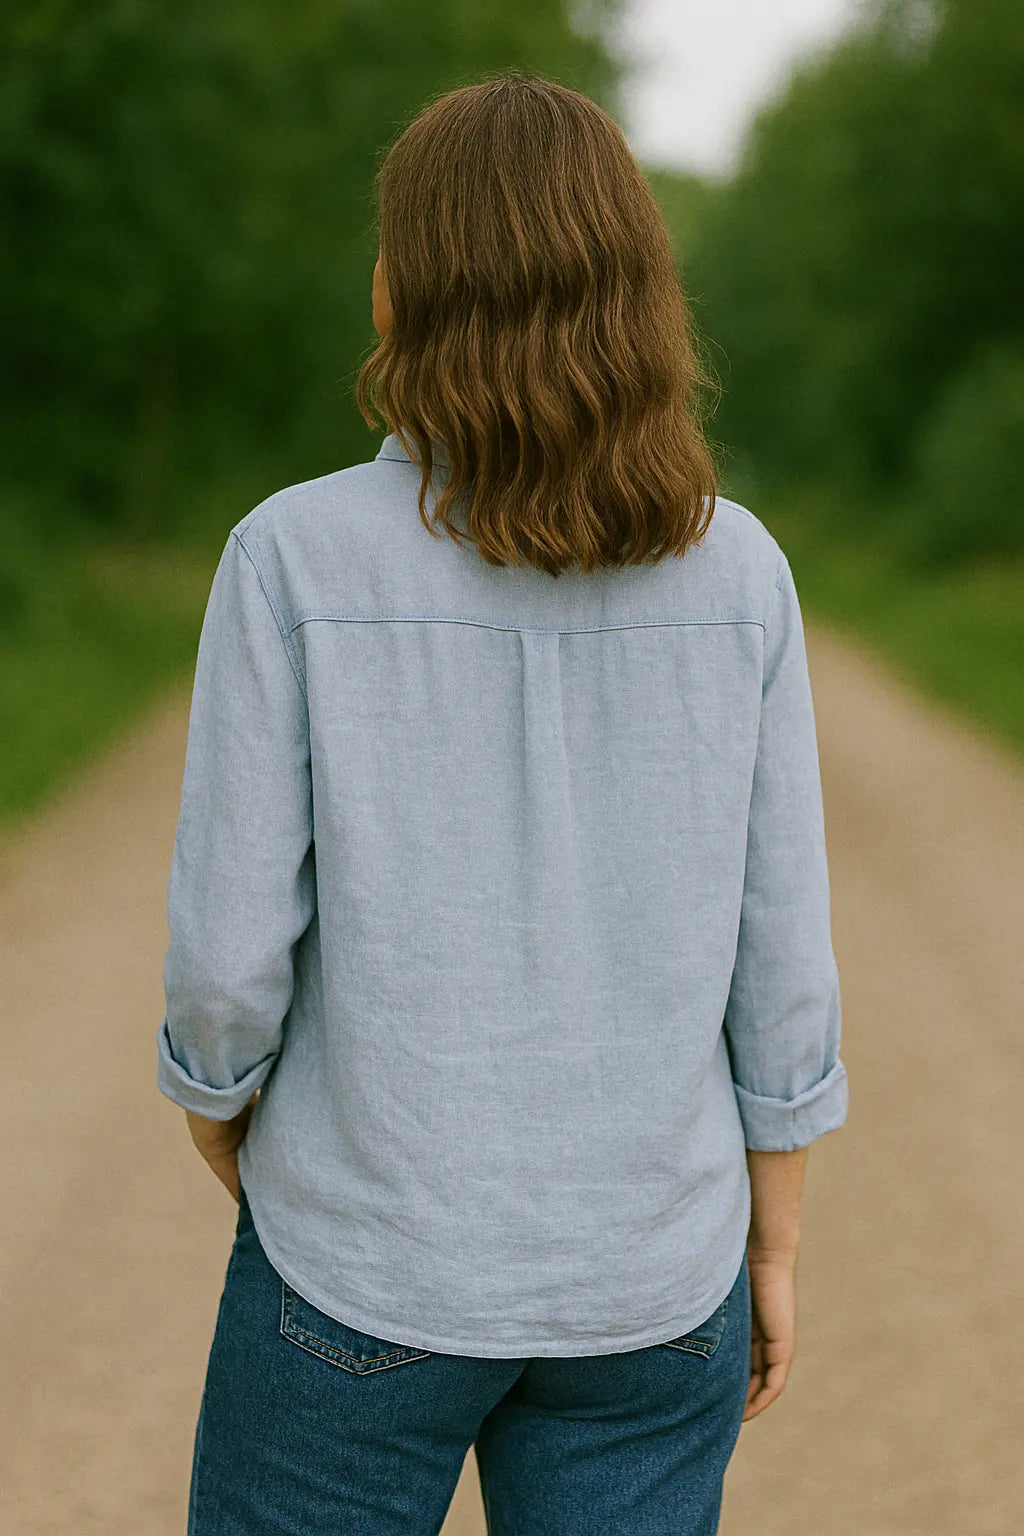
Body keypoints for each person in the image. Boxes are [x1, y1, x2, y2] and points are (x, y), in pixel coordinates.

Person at [158, 69, 849, 1536]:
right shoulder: (744, 577)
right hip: (655, 1283)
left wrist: (230, 1122)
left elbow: (225, 967)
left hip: (363, 1264)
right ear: (642, 303)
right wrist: (771, 1246)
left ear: (395, 295)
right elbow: (782, 964)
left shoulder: (290, 560)